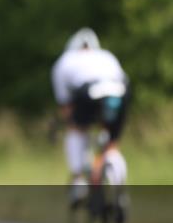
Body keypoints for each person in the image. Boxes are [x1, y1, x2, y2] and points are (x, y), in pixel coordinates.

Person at [51, 28, 130, 203]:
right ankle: (119, 192)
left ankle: (79, 180)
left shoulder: (64, 61)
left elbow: (66, 106)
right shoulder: (107, 55)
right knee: (112, 145)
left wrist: (74, 123)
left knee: (77, 130)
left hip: (88, 92)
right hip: (119, 92)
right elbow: (123, 79)